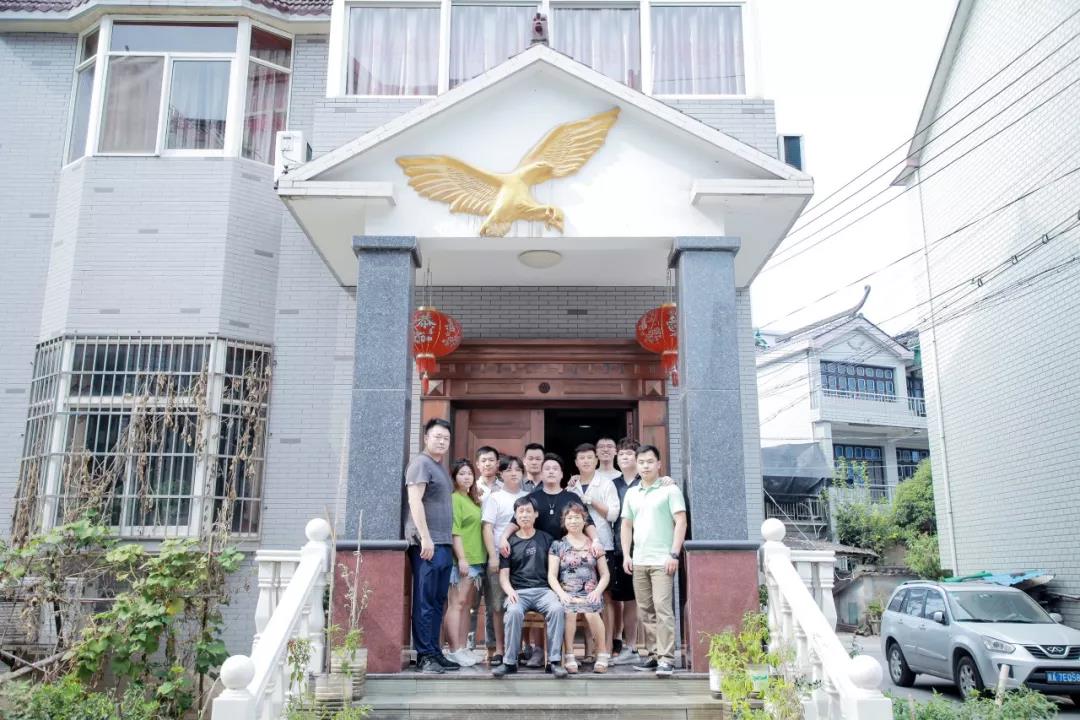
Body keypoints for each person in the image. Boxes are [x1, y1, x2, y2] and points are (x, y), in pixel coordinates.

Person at [499, 453, 605, 667]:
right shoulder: (534, 497)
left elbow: (588, 522)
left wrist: (595, 541)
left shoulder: (571, 497)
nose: (550, 472)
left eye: (555, 468)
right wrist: (503, 538)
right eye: (546, 468)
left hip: (567, 558)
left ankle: (575, 654)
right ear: (541, 472)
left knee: (564, 606)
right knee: (548, 603)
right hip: (538, 556)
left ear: (562, 473)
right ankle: (539, 651)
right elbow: (515, 520)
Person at [620, 444, 686, 678]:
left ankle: (667, 659)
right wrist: (627, 554)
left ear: (659, 464)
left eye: (650, 461)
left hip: (662, 560)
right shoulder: (632, 493)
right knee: (645, 611)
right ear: (636, 465)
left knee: (662, 609)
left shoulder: (670, 490)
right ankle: (653, 654)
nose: (645, 466)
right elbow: (626, 524)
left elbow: (681, 521)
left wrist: (674, 553)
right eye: (641, 462)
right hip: (639, 560)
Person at [404, 418, 460, 674]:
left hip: (443, 543)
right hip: (427, 544)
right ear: (426, 438)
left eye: (446, 438)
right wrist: (425, 537)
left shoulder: (440, 468)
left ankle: (435, 651)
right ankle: (424, 655)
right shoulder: (420, 464)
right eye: (437, 436)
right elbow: (415, 501)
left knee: (438, 601)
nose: (442, 441)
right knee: (425, 600)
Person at [492, 497, 568, 679]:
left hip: (544, 591)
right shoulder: (509, 543)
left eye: (528, 511)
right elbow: (504, 576)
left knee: (557, 609)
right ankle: (509, 662)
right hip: (519, 592)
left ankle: (554, 662)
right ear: (515, 516)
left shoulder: (547, 539)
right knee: (513, 612)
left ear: (536, 514)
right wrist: (510, 592)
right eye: (521, 512)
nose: (524, 515)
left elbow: (554, 571)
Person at [565, 443, 620, 661]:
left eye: (590, 457)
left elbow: (613, 514)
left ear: (596, 460)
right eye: (582, 458)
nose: (586, 461)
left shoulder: (606, 484)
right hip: (577, 549)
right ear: (576, 463)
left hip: (602, 545)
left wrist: (591, 501)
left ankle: (606, 648)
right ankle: (589, 650)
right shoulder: (571, 487)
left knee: (605, 596)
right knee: (584, 595)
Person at [548, 502, 611, 673]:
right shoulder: (557, 545)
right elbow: (551, 576)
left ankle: (602, 654)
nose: (573, 521)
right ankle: (570, 655)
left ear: (584, 521)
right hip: (567, 592)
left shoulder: (594, 545)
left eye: (577, 518)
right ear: (564, 521)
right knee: (569, 612)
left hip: (591, 592)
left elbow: (605, 574)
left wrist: (597, 591)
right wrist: (561, 594)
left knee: (591, 611)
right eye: (569, 518)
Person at [480, 455, 528, 664]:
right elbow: (487, 528)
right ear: (501, 473)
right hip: (500, 559)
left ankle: (521, 648)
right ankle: (499, 649)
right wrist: (493, 556)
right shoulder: (495, 498)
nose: (514, 473)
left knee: (522, 604)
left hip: (525, 561)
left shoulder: (528, 497)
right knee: (498, 605)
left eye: (518, 469)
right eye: (509, 470)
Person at [444, 458, 484, 666]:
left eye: (469, 473)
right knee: (456, 604)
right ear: (454, 477)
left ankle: (463, 648)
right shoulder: (454, 499)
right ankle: (453, 650)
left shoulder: (471, 499)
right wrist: (461, 558)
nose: (466, 477)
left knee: (466, 605)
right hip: (462, 560)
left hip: (476, 560)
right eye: (462, 473)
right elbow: (455, 531)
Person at [609, 437, 641, 664]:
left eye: (629, 453)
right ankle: (623, 645)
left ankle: (634, 647)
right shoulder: (613, 484)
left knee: (639, 600)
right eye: (621, 454)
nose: (624, 457)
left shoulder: (647, 482)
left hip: (644, 547)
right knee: (623, 597)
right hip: (619, 548)